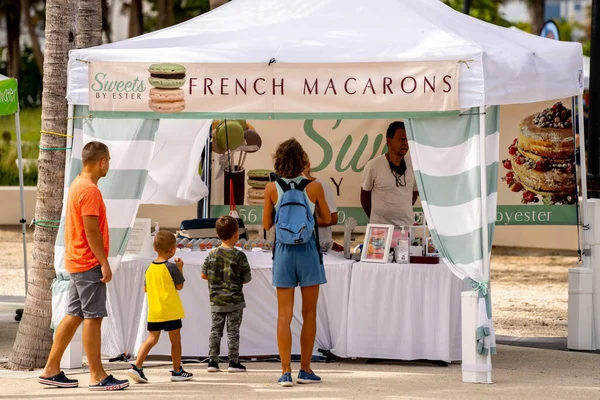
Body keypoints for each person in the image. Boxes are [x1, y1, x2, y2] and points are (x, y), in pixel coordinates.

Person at [39, 142, 130, 391]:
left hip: (76, 260)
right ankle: (97, 376)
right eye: (108, 160)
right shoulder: (89, 190)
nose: (109, 165)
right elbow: (92, 231)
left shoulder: (77, 184)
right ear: (101, 161)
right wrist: (104, 263)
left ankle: (51, 369)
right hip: (88, 262)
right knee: (94, 317)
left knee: (75, 314)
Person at [263, 138, 331, 387]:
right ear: (302, 160)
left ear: (278, 161)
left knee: (284, 314)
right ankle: (305, 369)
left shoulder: (271, 188)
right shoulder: (314, 187)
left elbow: (267, 224)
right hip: (308, 252)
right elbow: (326, 217)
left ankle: (284, 372)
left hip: (283, 253)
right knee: (309, 313)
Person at [127, 230, 193, 383]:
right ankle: (177, 370)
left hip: (155, 311)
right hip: (170, 310)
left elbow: (146, 289)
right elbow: (180, 286)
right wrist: (180, 268)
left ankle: (137, 366)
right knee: (175, 340)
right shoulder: (171, 267)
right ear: (173, 250)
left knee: (151, 339)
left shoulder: (149, 268)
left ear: (154, 248)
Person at [201, 216, 252, 373]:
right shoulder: (239, 256)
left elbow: (203, 275)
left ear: (217, 234)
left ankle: (212, 361)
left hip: (216, 301)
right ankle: (233, 362)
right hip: (235, 301)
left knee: (215, 330)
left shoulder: (211, 254)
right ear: (237, 234)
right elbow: (246, 278)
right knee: (233, 332)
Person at [361, 121, 419, 229]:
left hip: (406, 228)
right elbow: (365, 197)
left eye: (407, 140)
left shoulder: (413, 165)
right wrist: (375, 219)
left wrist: (400, 211)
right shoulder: (373, 166)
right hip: (380, 230)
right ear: (389, 140)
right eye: (401, 140)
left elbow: (414, 193)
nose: (405, 143)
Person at [303, 162, 338, 251]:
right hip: (296, 245)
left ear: (308, 166)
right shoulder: (288, 187)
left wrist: (304, 223)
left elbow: (333, 219)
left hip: (320, 246)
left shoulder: (321, 186)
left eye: (300, 166)